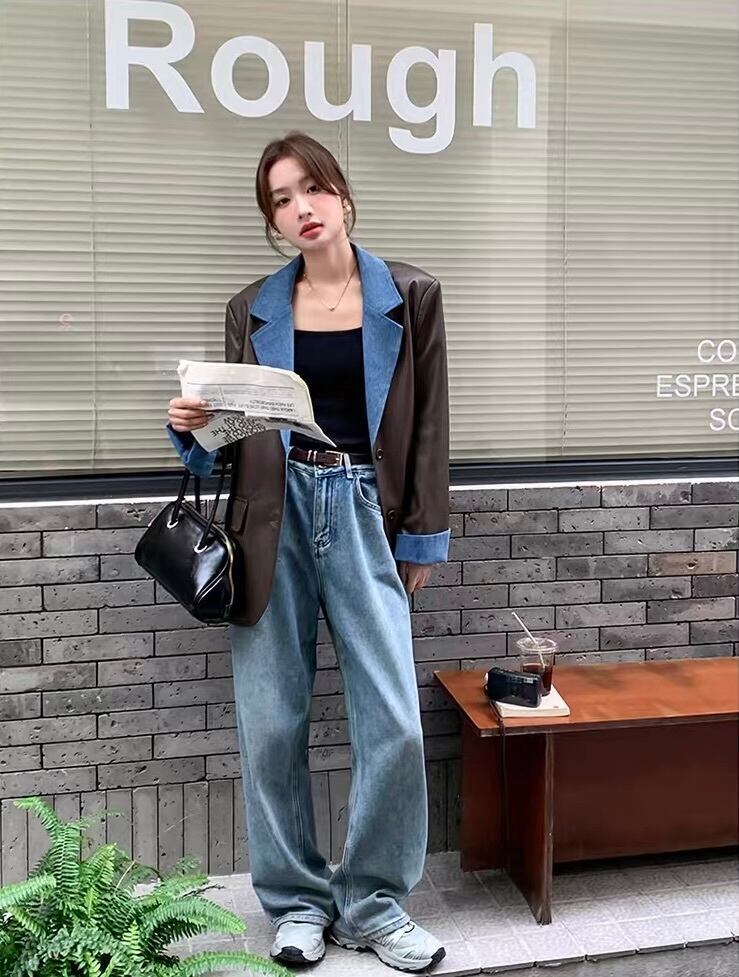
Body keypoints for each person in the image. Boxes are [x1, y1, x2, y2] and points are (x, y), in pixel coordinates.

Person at [167, 130, 450, 972]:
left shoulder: (411, 294)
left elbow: (428, 425)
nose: (301, 209)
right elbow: (229, 438)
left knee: (392, 721)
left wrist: (420, 537)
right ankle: (295, 902)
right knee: (271, 723)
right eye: (281, 200)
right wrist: (189, 427)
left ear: (342, 193)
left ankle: (372, 903)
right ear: (273, 220)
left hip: (364, 509)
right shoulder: (252, 307)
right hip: (272, 514)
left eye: (312, 189)